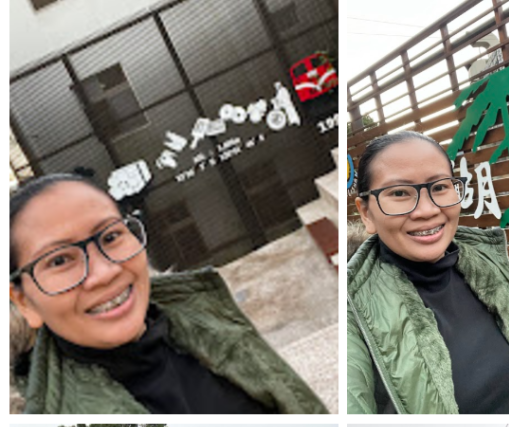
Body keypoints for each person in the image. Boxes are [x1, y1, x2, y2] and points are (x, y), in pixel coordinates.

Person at [9, 173, 329, 414]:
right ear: (24, 301)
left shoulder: (205, 314)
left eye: (109, 236)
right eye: (60, 260)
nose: (104, 273)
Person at [348, 131, 509, 414]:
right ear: (366, 213)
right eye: (398, 193)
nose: (427, 210)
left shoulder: (489, 264)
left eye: (440, 187)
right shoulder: (347, 310)